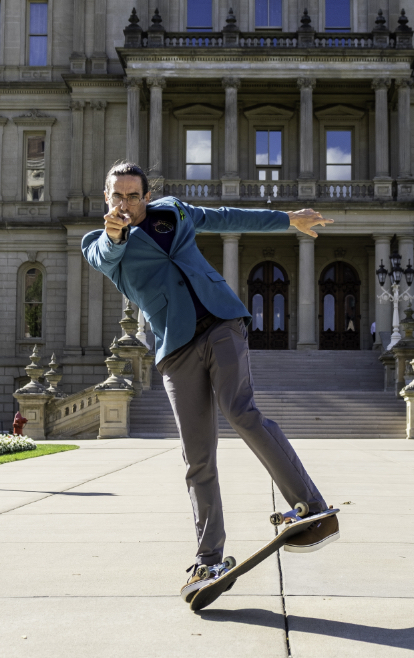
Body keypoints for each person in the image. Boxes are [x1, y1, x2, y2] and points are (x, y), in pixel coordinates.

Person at [82, 162, 340, 602]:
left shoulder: (174, 212)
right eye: (116, 196)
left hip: (222, 322)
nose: (124, 204)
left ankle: (310, 504)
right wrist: (114, 236)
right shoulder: (100, 243)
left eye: (132, 195)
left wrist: (287, 221)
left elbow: (225, 216)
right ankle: (209, 557)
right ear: (105, 199)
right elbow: (105, 257)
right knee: (197, 455)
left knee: (241, 411)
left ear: (146, 196)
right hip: (176, 346)